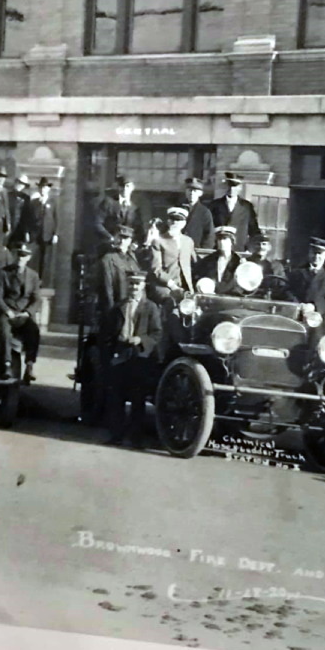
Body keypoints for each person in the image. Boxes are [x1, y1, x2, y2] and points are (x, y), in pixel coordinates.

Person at [103, 271, 163, 447]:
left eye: (137, 284)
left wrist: (141, 340)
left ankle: (136, 439)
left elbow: (157, 333)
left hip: (140, 357)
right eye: (131, 284)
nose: (134, 288)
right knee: (116, 398)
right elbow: (107, 332)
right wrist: (110, 353)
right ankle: (116, 436)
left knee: (138, 400)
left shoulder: (151, 308)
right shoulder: (118, 307)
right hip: (120, 355)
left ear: (143, 286)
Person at [0, 243, 42, 384]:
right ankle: (7, 365)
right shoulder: (4, 273)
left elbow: (37, 299)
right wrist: (7, 311)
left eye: (24, 255)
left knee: (34, 331)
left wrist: (28, 313)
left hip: (24, 315)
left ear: (28, 258)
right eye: (19, 255)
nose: (21, 258)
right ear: (15, 256)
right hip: (8, 312)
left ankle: (29, 365)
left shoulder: (33, 276)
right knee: (4, 333)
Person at [287, 237, 325, 335]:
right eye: (314, 253)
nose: (316, 257)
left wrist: (315, 306)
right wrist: (299, 306)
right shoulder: (297, 272)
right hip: (299, 320)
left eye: (320, 253)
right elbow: (289, 292)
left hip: (321, 324)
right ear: (309, 253)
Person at [16, 177, 59, 286]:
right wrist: (27, 232)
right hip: (34, 234)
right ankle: (31, 280)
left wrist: (55, 234)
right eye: (41, 187)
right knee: (32, 257)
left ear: (48, 189)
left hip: (47, 235)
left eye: (45, 188)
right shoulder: (33, 203)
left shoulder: (53, 202)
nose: (43, 190)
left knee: (45, 259)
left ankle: (43, 281)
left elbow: (56, 218)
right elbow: (27, 219)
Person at [147, 207, 195, 302]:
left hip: (186, 287)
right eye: (173, 219)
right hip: (165, 286)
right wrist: (172, 285)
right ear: (168, 222)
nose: (175, 223)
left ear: (184, 224)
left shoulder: (188, 241)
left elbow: (194, 263)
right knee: (170, 303)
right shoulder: (158, 241)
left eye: (179, 220)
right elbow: (156, 270)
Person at [207, 172, 260, 253]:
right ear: (225, 186)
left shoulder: (247, 207)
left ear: (240, 188)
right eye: (229, 185)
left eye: (235, 186)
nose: (231, 189)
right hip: (218, 249)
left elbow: (254, 230)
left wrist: (250, 249)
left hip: (239, 250)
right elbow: (208, 229)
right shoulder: (214, 205)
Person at [95, 175, 145, 245]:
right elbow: (97, 223)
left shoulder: (135, 209)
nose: (124, 189)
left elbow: (139, 231)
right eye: (122, 186)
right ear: (118, 187)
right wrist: (110, 238)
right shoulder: (109, 203)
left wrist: (134, 243)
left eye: (127, 186)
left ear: (132, 188)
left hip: (127, 248)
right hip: (109, 247)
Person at [193, 225, 242, 294]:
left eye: (225, 239)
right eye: (219, 239)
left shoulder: (239, 262)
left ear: (232, 241)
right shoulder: (207, 261)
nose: (222, 242)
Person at [247, 230, 289, 297]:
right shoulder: (246, 263)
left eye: (264, 244)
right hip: (249, 296)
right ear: (253, 246)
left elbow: (282, 286)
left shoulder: (277, 266)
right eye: (258, 244)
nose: (261, 247)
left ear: (269, 247)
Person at [182, 176, 215, 252]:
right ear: (186, 192)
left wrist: (202, 252)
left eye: (195, 191)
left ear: (200, 193)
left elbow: (209, 236)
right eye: (189, 190)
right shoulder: (178, 208)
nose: (192, 193)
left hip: (195, 251)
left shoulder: (204, 212)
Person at [7, 174, 33, 246]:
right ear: (16, 182)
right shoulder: (7, 195)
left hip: (20, 229)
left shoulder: (26, 198)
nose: (20, 185)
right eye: (19, 183)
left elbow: (27, 216)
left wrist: (26, 231)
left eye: (23, 184)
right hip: (8, 227)